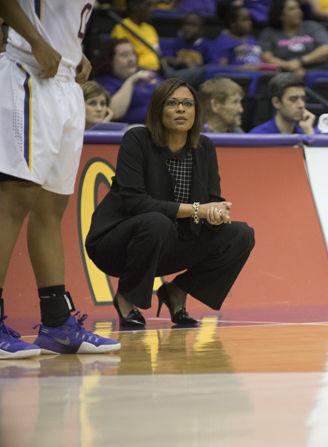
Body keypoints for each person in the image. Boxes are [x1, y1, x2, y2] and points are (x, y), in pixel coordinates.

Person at [0, 0, 121, 358]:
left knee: (51, 208)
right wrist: (36, 41)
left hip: (66, 84)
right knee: (14, 200)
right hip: (28, 75)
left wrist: (74, 54)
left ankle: (57, 323)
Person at [85, 79, 255, 329]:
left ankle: (176, 291)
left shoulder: (204, 146)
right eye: (172, 103)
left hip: (171, 240)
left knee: (241, 234)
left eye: (187, 104)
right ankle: (127, 297)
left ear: (196, 112)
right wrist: (198, 210)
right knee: (156, 221)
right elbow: (134, 202)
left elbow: (211, 198)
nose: (181, 109)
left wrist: (217, 212)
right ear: (157, 109)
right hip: (118, 243)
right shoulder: (137, 139)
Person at [258, 0, 328, 75]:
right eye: (292, 9)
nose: (298, 11)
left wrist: (300, 62)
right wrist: (288, 66)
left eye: (298, 8)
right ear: (281, 16)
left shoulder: (312, 26)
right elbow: (266, 57)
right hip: (285, 73)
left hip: (319, 70)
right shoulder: (269, 33)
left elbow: (326, 50)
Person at [93, 38, 161, 124]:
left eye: (133, 54)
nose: (132, 59)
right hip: (132, 132)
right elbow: (114, 113)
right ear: (110, 61)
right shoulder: (104, 82)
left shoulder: (148, 75)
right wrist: (131, 80)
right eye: (124, 55)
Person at [249, 72, 316, 134]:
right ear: (276, 102)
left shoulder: (309, 130)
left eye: (303, 98)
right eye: (293, 99)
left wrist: (309, 134)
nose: (301, 105)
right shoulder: (259, 135)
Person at [209, 4, 265, 70]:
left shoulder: (252, 39)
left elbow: (261, 60)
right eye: (244, 20)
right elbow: (219, 69)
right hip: (238, 78)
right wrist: (241, 68)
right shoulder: (222, 42)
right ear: (232, 22)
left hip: (259, 76)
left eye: (250, 19)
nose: (249, 23)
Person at [111, 0, 161, 72]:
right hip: (135, 72)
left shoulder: (150, 28)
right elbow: (122, 61)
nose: (151, 9)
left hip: (159, 71)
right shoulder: (121, 28)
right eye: (148, 5)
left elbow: (157, 52)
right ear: (134, 6)